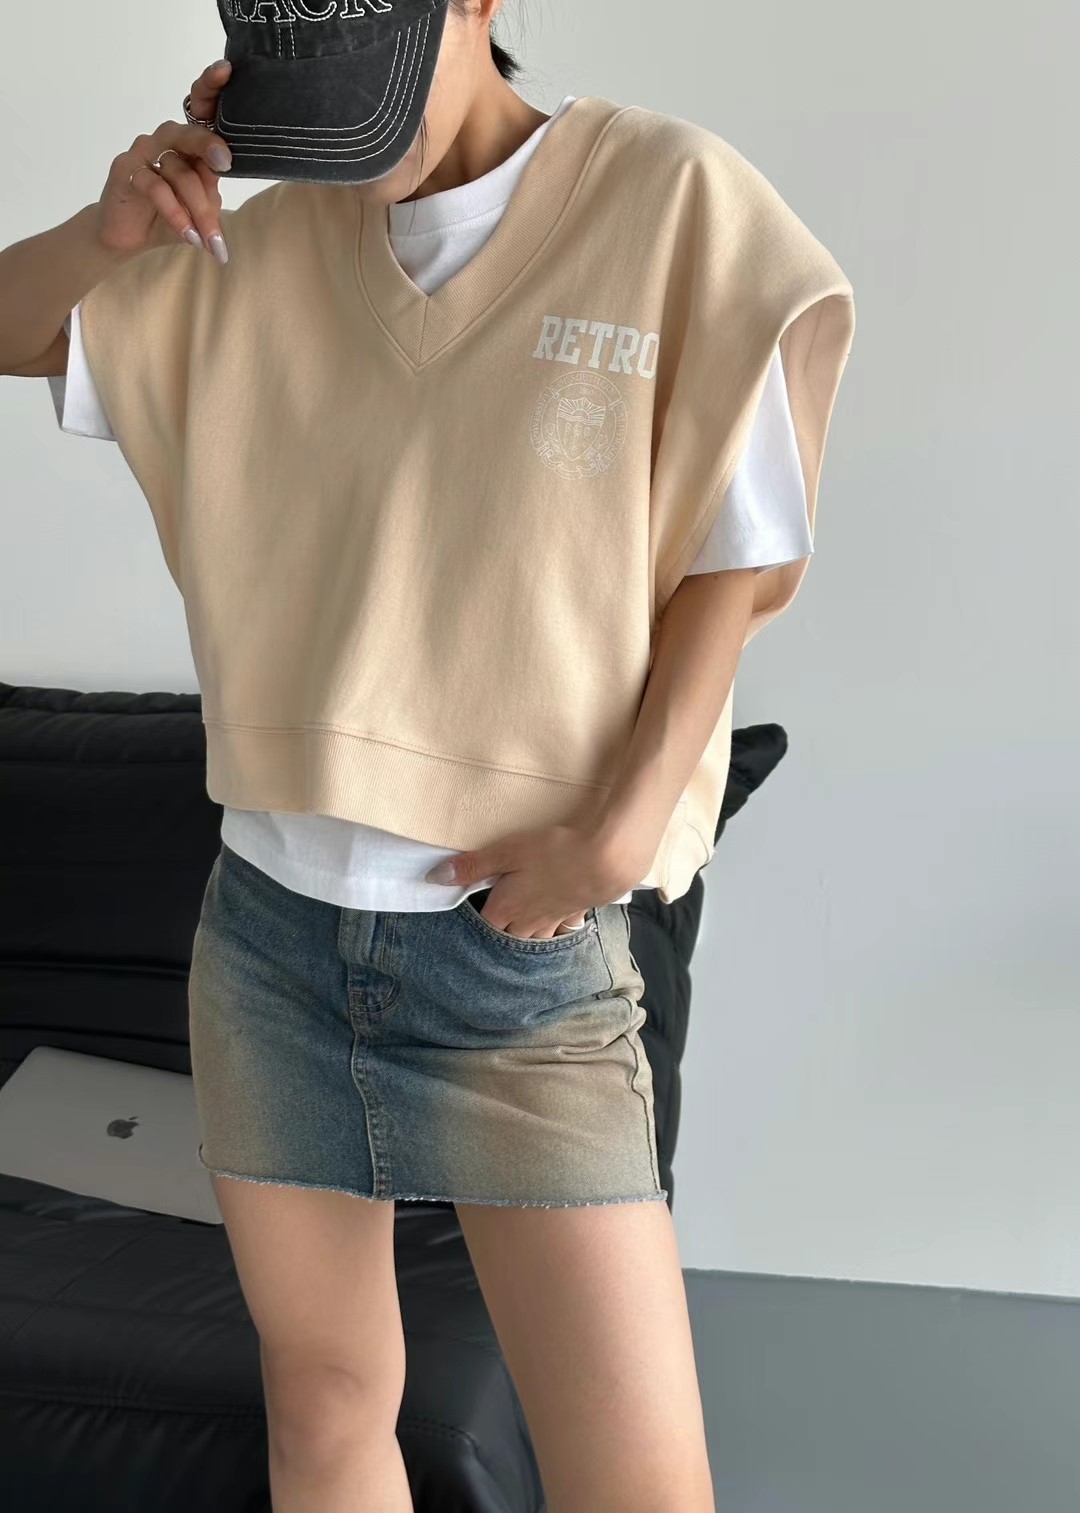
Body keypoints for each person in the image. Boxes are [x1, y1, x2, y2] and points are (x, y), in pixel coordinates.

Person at [0, 2, 855, 1508]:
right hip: (268, 941)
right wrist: (107, 227)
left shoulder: (667, 200)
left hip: (518, 965)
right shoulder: (257, 247)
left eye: (364, 90)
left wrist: (620, 830)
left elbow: (737, 550)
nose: (345, 147)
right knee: (325, 1408)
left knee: (638, 1485)